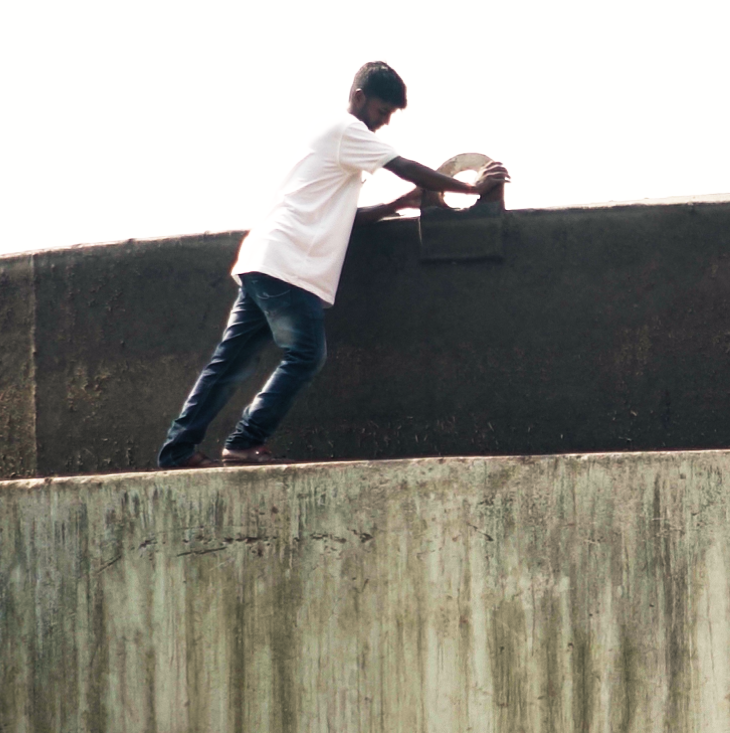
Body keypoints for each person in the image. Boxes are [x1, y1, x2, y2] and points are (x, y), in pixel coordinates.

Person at [155, 61, 511, 467]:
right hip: (289, 267)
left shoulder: (330, 140)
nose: (384, 123)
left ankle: (178, 449)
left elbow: (345, 217)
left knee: (229, 363)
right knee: (306, 355)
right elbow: (405, 167)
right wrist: (470, 186)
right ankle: (245, 440)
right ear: (359, 98)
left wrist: (397, 205)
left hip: (264, 260)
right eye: (382, 111)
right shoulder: (347, 130)